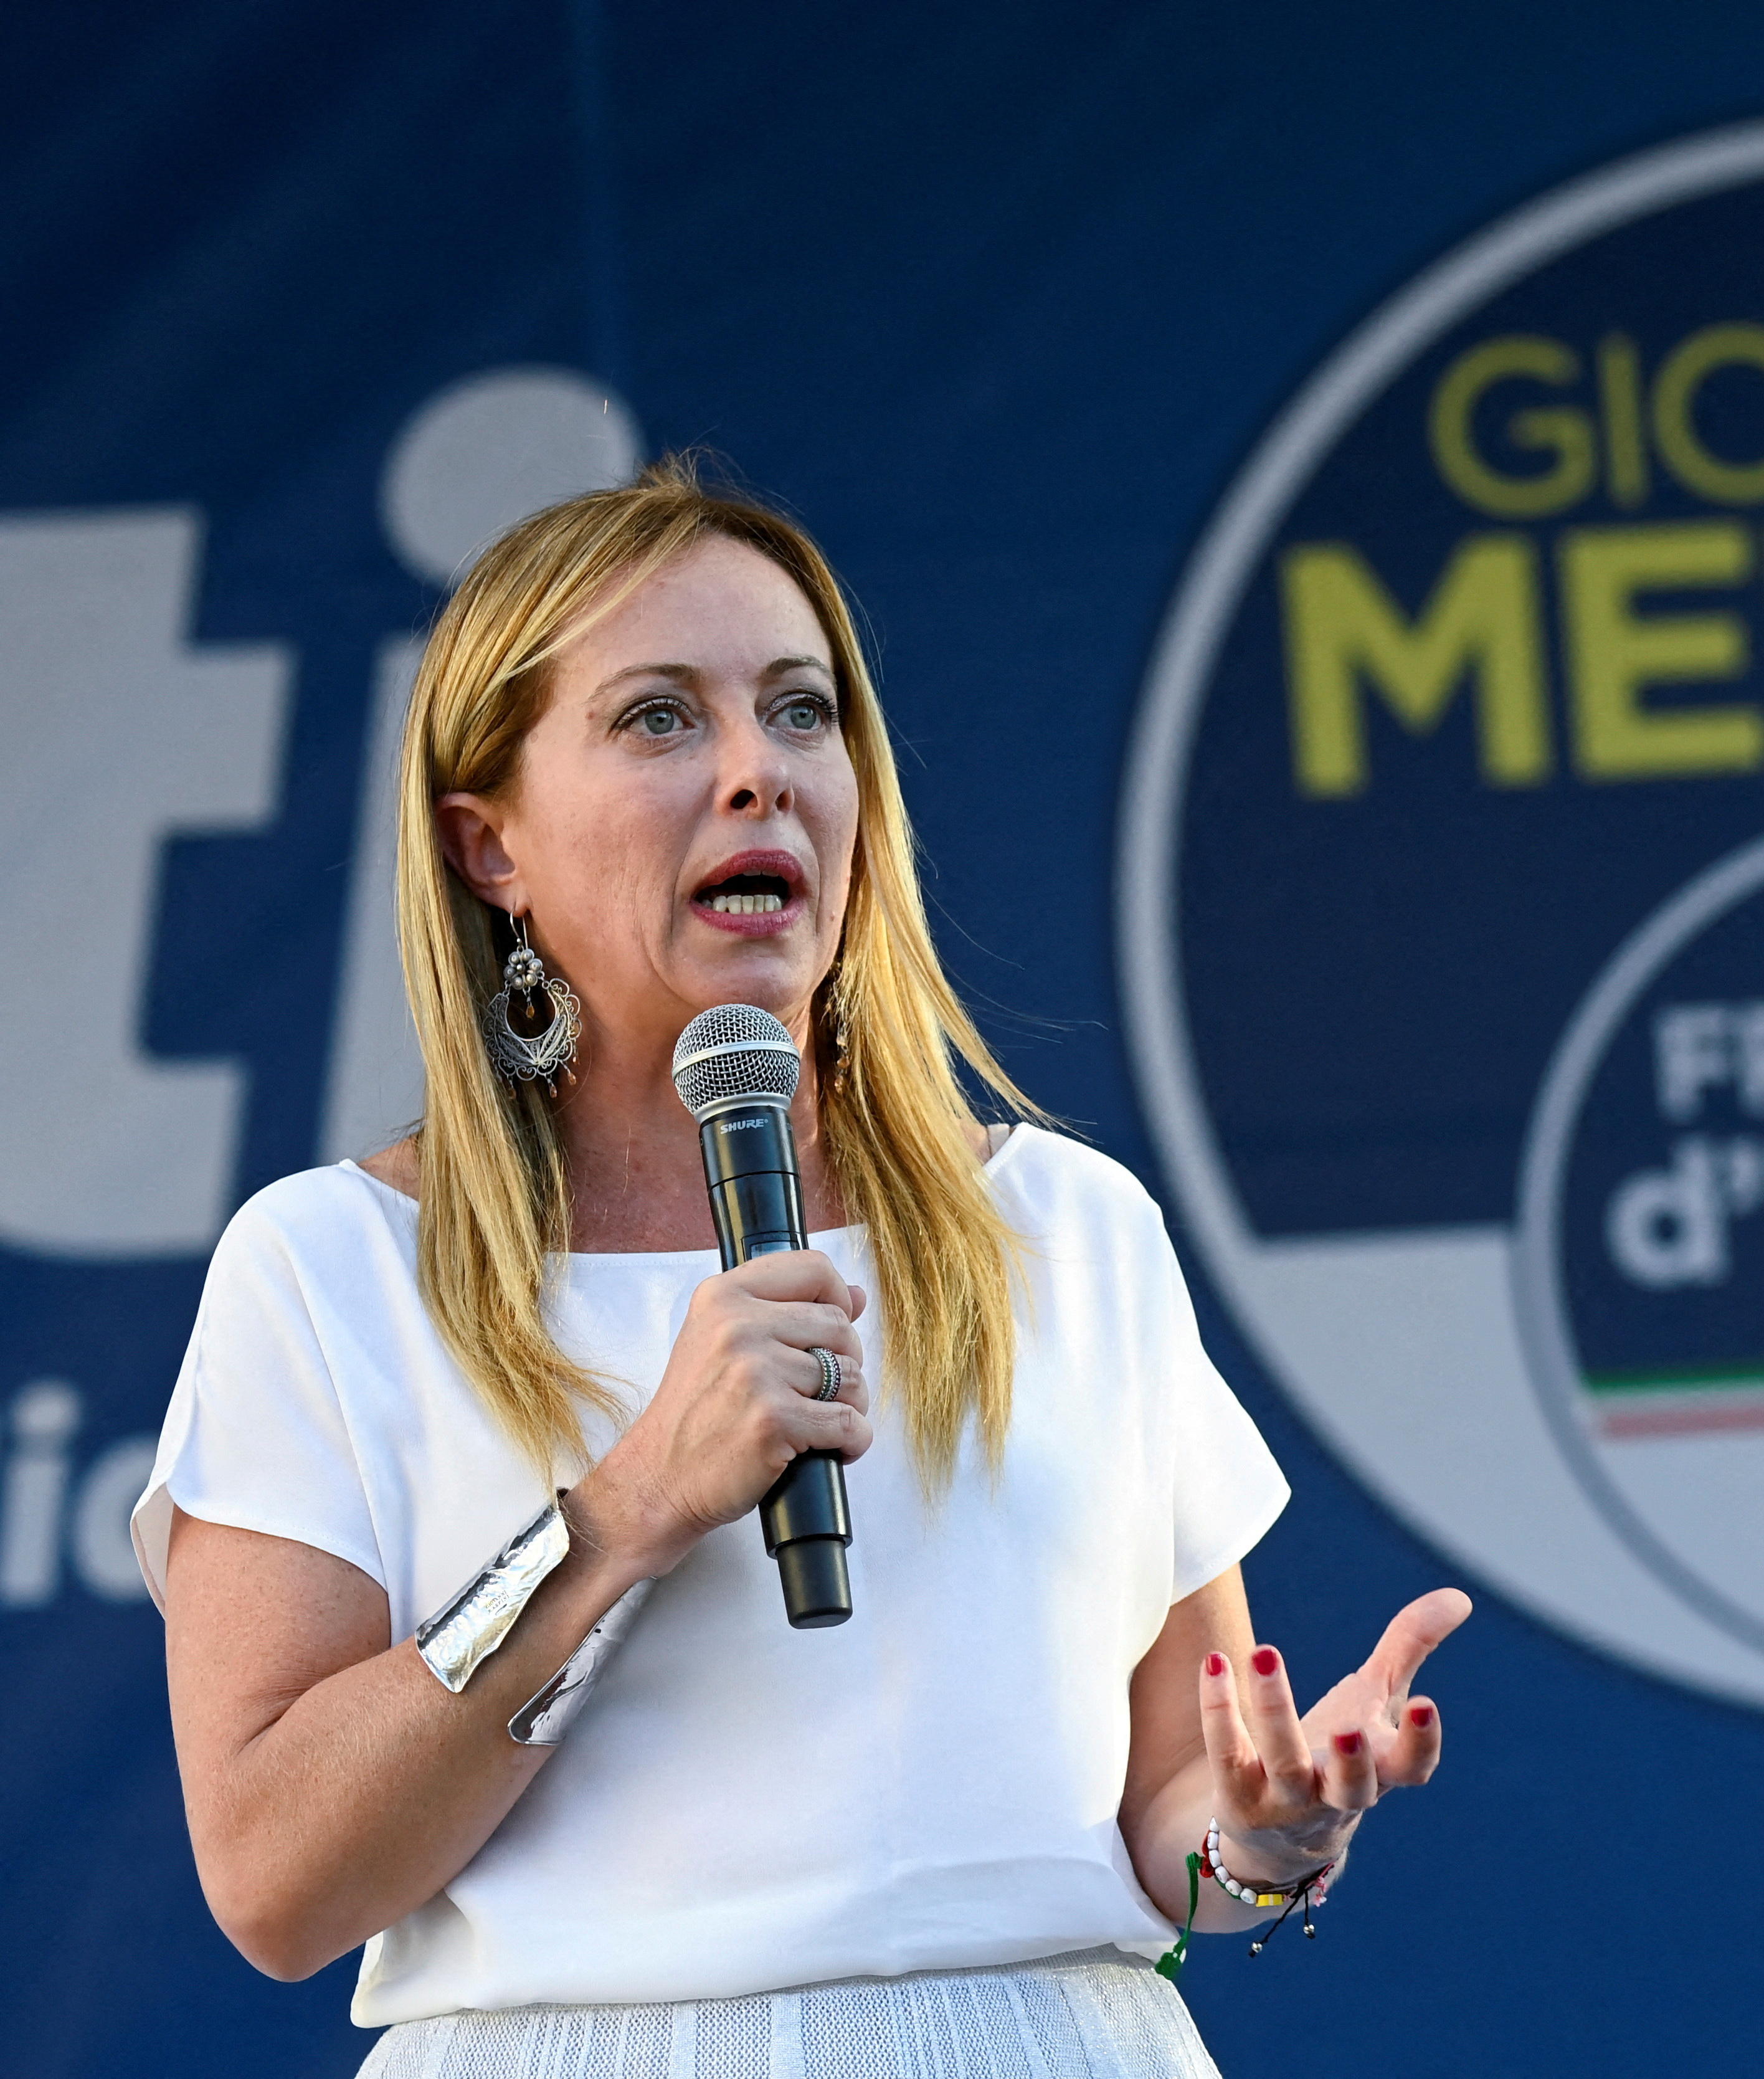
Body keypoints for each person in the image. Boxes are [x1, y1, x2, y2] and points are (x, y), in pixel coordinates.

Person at [135, 458, 1467, 2075]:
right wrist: (622, 1514)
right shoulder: (332, 1268)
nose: (759, 774)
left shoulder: (1070, 1225)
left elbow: (1168, 1815)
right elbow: (277, 1883)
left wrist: (1266, 1837)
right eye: (658, 718)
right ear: (489, 845)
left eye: (800, 710)